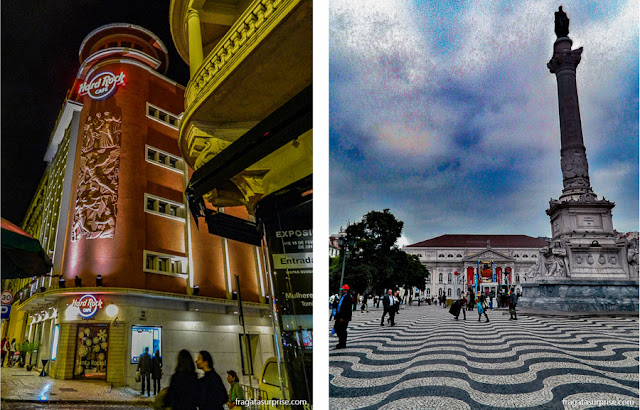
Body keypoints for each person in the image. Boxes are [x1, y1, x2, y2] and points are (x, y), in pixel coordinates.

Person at [334, 284, 353, 349]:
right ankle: (340, 342)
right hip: (339, 316)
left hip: (344, 317)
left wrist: (343, 317)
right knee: (337, 328)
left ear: (346, 290)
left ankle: (342, 343)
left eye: (343, 290)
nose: (342, 291)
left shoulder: (348, 297)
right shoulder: (342, 297)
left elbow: (347, 309)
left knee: (342, 330)